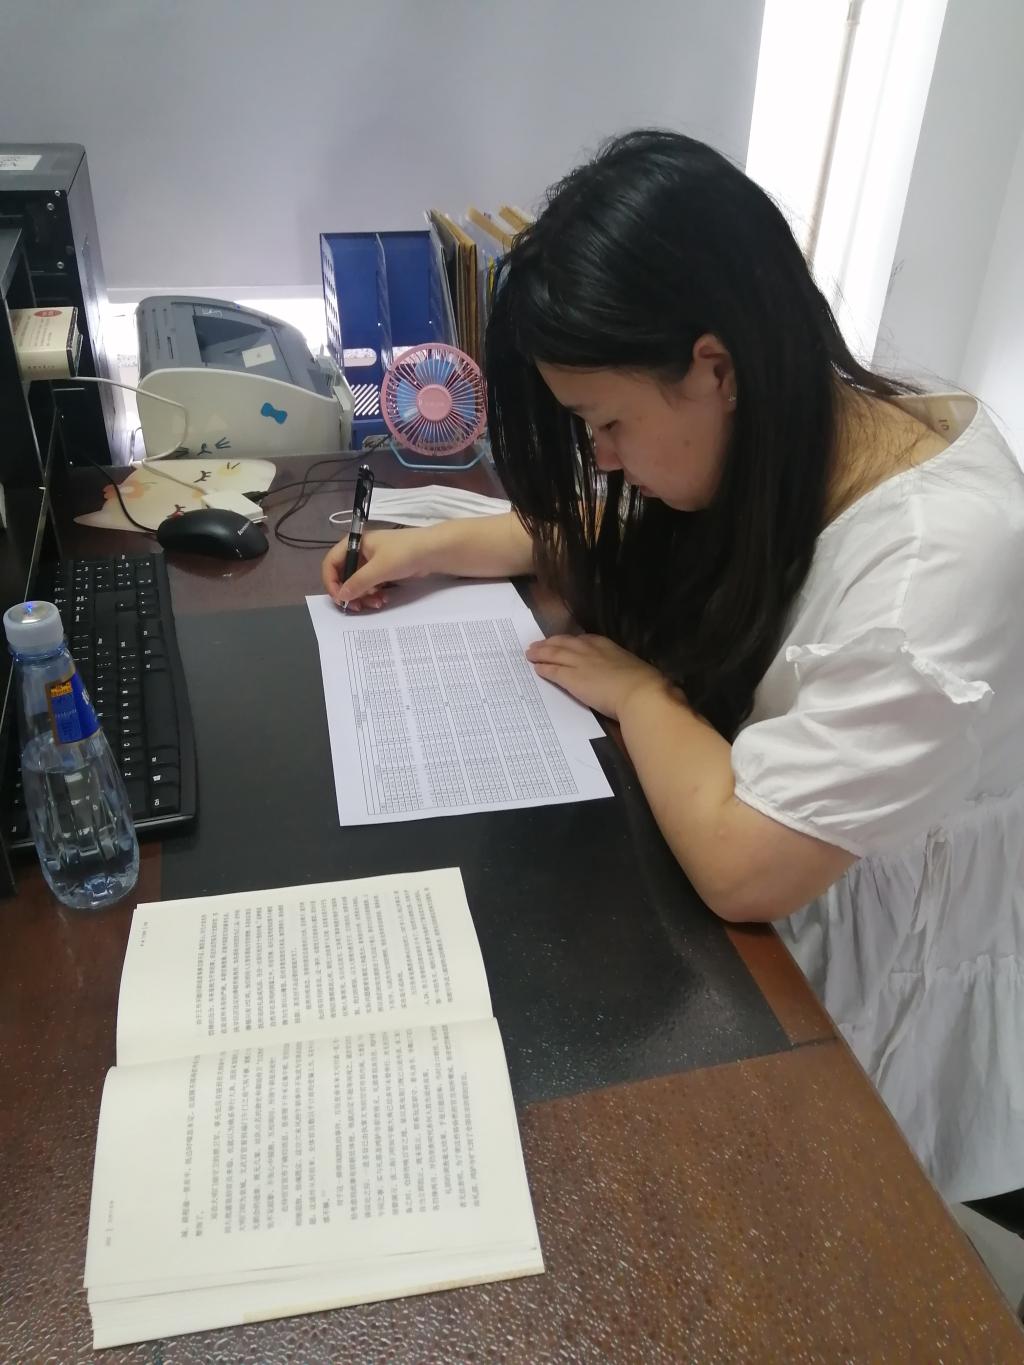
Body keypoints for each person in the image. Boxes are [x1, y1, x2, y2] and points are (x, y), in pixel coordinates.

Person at [322, 130, 1024, 1206]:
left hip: (883, 960)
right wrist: (425, 548)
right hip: (810, 887)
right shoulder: (802, 426)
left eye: (606, 423)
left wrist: (638, 693)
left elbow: (746, 868)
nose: (601, 460)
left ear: (713, 368)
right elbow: (615, 537)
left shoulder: (934, 568)